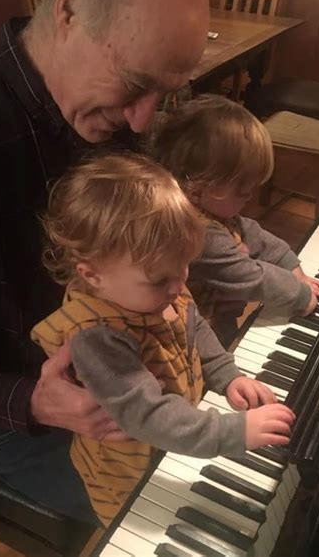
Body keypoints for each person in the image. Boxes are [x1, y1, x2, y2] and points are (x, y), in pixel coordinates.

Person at [0, 0, 210, 526]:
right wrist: (35, 401)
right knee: (198, 519)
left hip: (138, 359)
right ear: (69, 7)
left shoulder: (114, 111)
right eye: (135, 83)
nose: (142, 121)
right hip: (20, 417)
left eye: (164, 94)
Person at [31, 153, 296, 526]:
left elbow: (193, 325)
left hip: (176, 440)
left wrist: (227, 375)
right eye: (160, 280)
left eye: (183, 267)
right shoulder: (96, 338)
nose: (178, 285)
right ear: (92, 276)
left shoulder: (160, 286)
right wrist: (232, 432)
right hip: (129, 477)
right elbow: (149, 415)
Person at [149, 95, 319, 346]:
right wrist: (300, 294)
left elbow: (252, 232)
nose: (250, 197)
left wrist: (290, 264)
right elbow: (250, 277)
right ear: (197, 187)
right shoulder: (195, 230)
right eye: (242, 191)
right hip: (196, 335)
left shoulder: (210, 208)